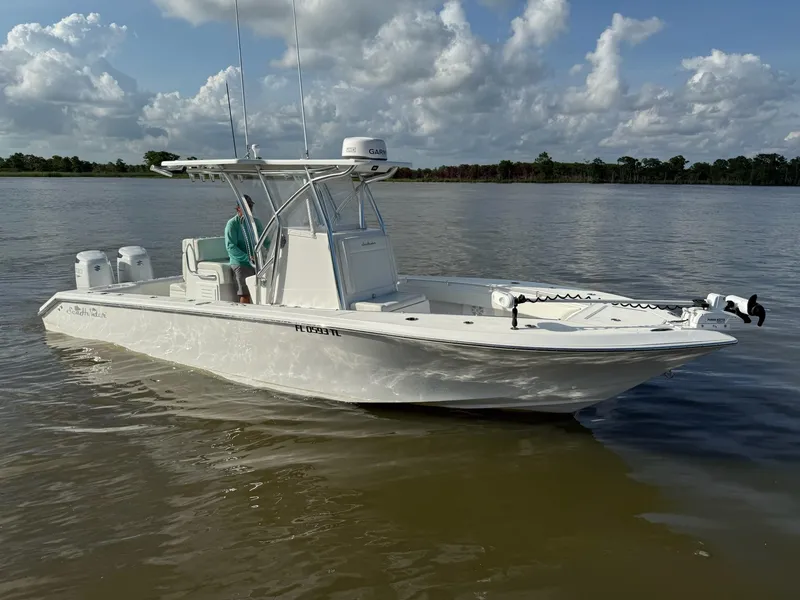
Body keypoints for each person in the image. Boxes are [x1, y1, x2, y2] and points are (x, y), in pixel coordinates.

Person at [225, 194, 267, 303]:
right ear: (239, 208)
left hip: (256, 262)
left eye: (250, 206)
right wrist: (247, 258)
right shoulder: (232, 224)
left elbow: (265, 240)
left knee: (261, 292)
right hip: (240, 263)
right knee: (246, 293)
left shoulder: (256, 223)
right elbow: (231, 247)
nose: (250, 209)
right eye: (247, 206)